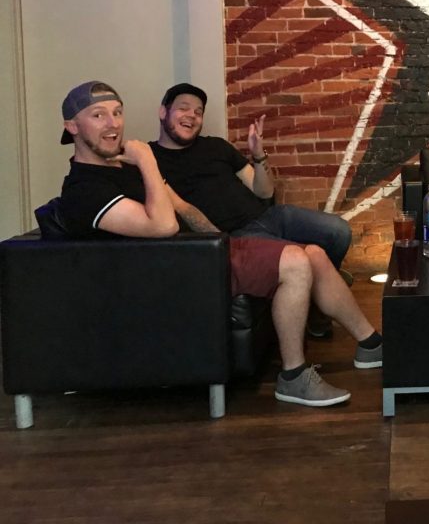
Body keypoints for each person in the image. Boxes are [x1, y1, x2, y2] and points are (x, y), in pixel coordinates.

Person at [57, 81, 383, 408]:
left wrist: (220, 240)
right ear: (72, 126)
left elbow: (182, 207)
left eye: (117, 113)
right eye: (98, 115)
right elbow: (165, 225)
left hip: (205, 249)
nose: (113, 124)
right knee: (297, 261)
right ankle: (293, 377)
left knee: (315, 253)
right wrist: (148, 162)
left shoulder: (122, 169)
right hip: (183, 267)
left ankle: (371, 344)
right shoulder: (85, 190)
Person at [148, 83, 351, 337]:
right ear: (163, 112)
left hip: (270, 216)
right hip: (240, 235)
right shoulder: (150, 160)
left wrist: (258, 155)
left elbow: (264, 192)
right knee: (309, 258)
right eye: (183, 108)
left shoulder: (217, 146)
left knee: (339, 231)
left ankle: (317, 307)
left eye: (198, 112)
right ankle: (320, 302)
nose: (192, 115)